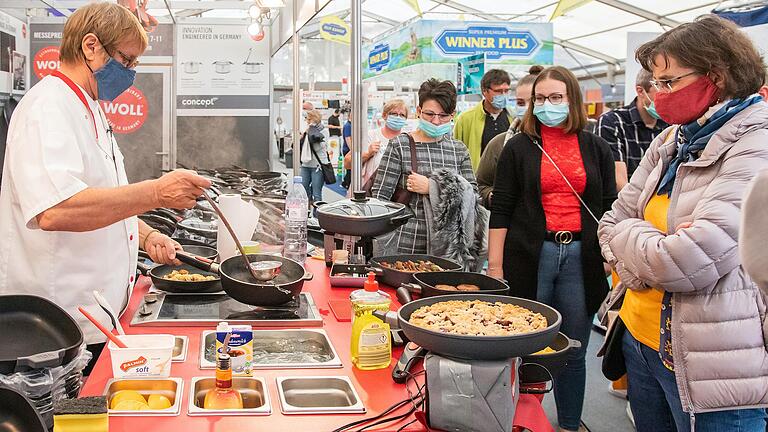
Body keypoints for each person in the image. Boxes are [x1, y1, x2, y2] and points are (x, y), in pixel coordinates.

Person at [0, 2, 210, 373]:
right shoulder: (47, 107)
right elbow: (55, 210)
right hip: (57, 326)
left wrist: (144, 235)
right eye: (126, 61)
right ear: (91, 46)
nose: (130, 73)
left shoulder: (90, 106)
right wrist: (157, 193)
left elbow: (101, 195)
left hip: (98, 316)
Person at [598, 15, 768, 432]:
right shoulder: (674, 139)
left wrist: (632, 243)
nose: (658, 94)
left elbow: (687, 260)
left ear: (717, 76)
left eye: (669, 82)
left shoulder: (755, 145)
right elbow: (610, 220)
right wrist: (647, 243)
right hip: (642, 339)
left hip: (712, 361)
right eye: (655, 82)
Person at [487, 66, 617, 432]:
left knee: (574, 347)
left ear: (572, 100)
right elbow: (502, 208)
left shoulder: (597, 147)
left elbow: (610, 204)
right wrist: (495, 268)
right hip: (531, 254)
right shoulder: (518, 147)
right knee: (524, 343)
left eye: (556, 97)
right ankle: (523, 422)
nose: (547, 104)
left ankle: (570, 424)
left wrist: (607, 258)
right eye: (540, 99)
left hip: (582, 256)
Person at [371, 79, 476, 254]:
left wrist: (432, 187)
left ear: (453, 115)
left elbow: (472, 195)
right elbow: (380, 198)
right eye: (429, 114)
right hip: (405, 246)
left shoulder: (459, 150)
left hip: (447, 249)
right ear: (419, 111)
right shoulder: (401, 145)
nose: (436, 121)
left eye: (443, 116)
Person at [476, 65, 543, 207]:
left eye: (532, 101)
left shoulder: (572, 144)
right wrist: (495, 197)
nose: (526, 108)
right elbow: (481, 184)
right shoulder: (499, 144)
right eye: (520, 102)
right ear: (484, 92)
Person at [598, 69, 669, 190]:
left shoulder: (670, 124)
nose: (667, 98)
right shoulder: (613, 122)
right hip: (629, 203)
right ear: (640, 91)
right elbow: (618, 180)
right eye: (660, 92)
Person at [453, 69, 514, 171]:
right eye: (498, 91)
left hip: (508, 178)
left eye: (506, 91)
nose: (503, 95)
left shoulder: (514, 118)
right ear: (484, 91)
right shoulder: (466, 119)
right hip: (478, 180)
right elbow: (456, 153)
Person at [343, 99, 408, 190]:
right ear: (384, 115)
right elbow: (347, 163)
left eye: (402, 115)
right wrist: (367, 154)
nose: (398, 117)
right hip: (368, 191)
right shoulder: (370, 136)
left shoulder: (407, 140)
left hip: (397, 194)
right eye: (394, 114)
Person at [300, 109, 330, 204]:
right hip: (306, 165)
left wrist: (313, 136)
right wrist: (304, 135)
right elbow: (299, 146)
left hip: (318, 166)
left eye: (308, 119)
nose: (307, 121)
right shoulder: (306, 130)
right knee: (303, 190)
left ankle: (317, 216)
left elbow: (319, 148)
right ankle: (306, 212)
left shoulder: (324, 131)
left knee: (317, 193)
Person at [341, 110, 353, 189]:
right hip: (347, 149)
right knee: (350, 168)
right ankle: (346, 183)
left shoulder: (350, 125)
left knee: (350, 168)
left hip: (349, 149)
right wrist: (352, 150)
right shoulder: (348, 125)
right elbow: (348, 138)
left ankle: (346, 182)